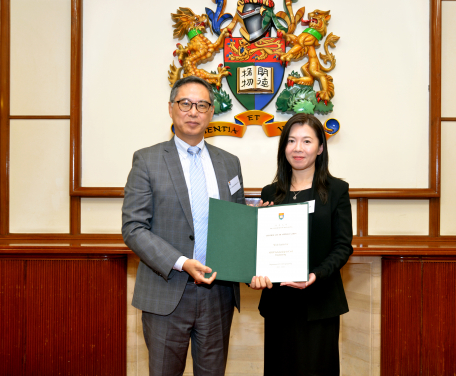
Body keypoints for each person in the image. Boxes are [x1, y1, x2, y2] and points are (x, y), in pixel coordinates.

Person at [122, 76, 245, 376]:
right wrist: (181, 262)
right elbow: (134, 227)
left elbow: (237, 219)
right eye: (185, 104)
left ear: (211, 112)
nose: (193, 112)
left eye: (202, 105)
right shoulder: (147, 160)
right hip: (167, 293)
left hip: (218, 294)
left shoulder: (230, 162)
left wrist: (258, 223)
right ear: (170, 108)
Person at [249, 113, 353, 376]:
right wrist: (259, 227)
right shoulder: (270, 194)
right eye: (291, 141)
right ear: (283, 147)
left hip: (319, 301)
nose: (298, 148)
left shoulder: (336, 190)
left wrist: (315, 274)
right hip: (279, 305)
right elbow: (260, 247)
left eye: (307, 141)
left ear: (319, 148)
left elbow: (343, 246)